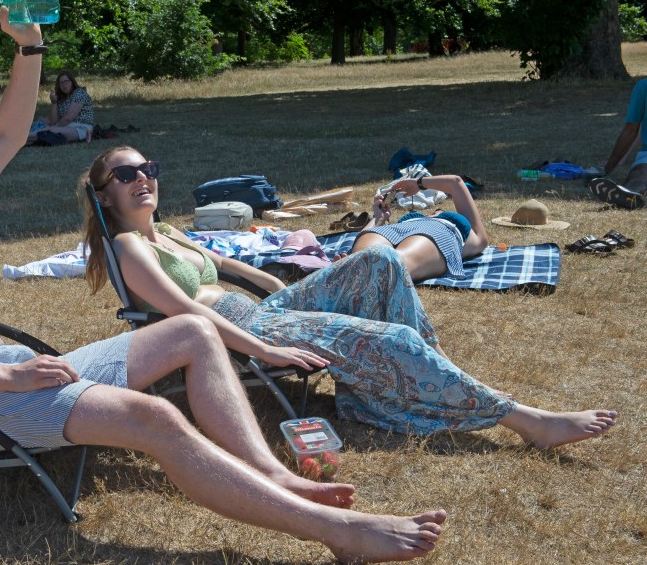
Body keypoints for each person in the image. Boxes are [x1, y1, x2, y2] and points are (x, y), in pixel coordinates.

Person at [0, 18, 448, 565]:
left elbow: (5, 134)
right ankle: (337, 530)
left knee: (194, 329)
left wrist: (29, 49)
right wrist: (5, 371)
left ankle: (271, 471)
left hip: (15, 376)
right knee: (157, 420)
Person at [81, 146, 617, 448]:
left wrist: (283, 286)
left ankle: (401, 384)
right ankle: (524, 420)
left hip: (264, 312)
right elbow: (190, 313)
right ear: (104, 192)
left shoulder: (165, 231)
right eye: (125, 174)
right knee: (391, 337)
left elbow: (222, 264)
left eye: (149, 168)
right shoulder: (129, 247)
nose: (142, 179)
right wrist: (266, 351)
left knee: (377, 260)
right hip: (241, 336)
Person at [351, 175, 489, 282]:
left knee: (392, 265)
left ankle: (351, 276)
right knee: (359, 259)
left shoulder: (473, 236)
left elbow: (455, 182)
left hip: (438, 232)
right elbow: (454, 182)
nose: (437, 210)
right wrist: (379, 218)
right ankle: (348, 270)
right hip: (396, 229)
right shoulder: (415, 218)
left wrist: (419, 183)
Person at [589, 78, 647, 210]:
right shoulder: (643, 87)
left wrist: (608, 167)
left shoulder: (644, 86)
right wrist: (612, 165)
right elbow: (632, 132)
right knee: (639, 175)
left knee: (640, 176)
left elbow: (631, 131)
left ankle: (631, 192)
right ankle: (630, 195)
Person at [27, 71, 95, 143]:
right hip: (66, 127)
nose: (64, 85)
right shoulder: (62, 99)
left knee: (50, 131)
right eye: (61, 83)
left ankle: (22, 139)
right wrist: (54, 102)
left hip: (81, 128)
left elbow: (69, 118)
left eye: (66, 81)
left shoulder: (79, 93)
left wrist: (55, 127)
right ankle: (24, 139)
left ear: (72, 82)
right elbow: (54, 121)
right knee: (46, 126)